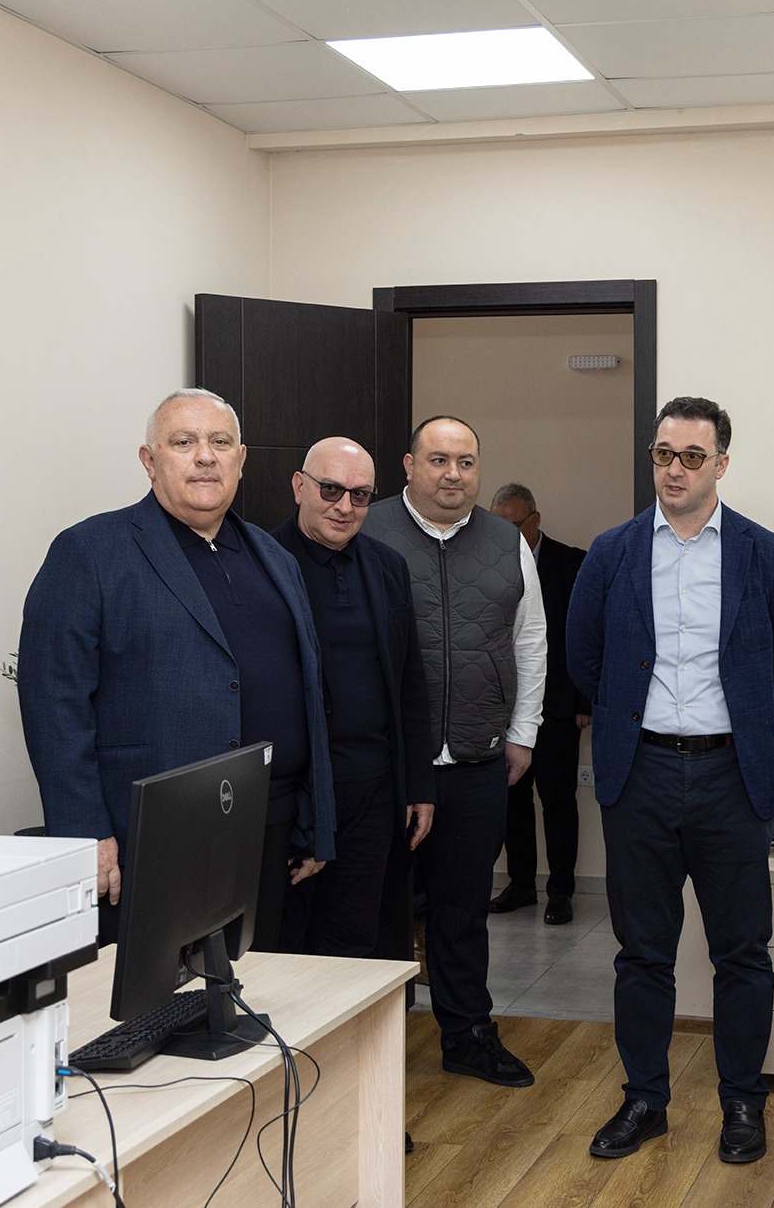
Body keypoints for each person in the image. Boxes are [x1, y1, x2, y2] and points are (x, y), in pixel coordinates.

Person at [567, 396, 774, 1165]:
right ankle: (645, 1100)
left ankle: (742, 1102)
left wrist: (735, 718)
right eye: (663, 454)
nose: (674, 469)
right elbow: (583, 657)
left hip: (731, 775)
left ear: (721, 465)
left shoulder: (765, 554)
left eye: (691, 457)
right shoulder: (612, 552)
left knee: (742, 951)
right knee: (642, 953)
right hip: (638, 772)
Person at [18, 388, 335, 949]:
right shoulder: (89, 552)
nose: (205, 456)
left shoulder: (276, 559)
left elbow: (308, 694)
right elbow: (54, 704)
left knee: (264, 984)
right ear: (149, 460)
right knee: (161, 993)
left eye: (220, 442)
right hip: (153, 832)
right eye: (184, 442)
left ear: (242, 459)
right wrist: (85, 834)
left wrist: (316, 820)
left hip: (270, 824)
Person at [360, 415, 546, 1088]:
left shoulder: (506, 541)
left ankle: (468, 1036)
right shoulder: (368, 529)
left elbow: (529, 639)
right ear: (409, 466)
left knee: (463, 910)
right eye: (438, 460)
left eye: (466, 462)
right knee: (379, 912)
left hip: (476, 760)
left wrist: (523, 731)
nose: (453, 474)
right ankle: (371, 1050)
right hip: (388, 767)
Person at [272, 436, 435, 957]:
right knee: (287, 947)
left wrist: (419, 784)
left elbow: (410, 681)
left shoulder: (388, 567)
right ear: (299, 487)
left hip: (376, 794)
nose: (344, 506)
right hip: (297, 797)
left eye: (360, 494)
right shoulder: (263, 563)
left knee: (358, 946)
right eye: (331, 489)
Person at [488, 482, 591, 926]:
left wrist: (586, 699)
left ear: (535, 520)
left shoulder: (572, 563)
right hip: (503, 707)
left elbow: (587, 635)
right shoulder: (487, 561)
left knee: (558, 801)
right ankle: (522, 884)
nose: (505, 534)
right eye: (497, 525)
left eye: (513, 525)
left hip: (559, 706)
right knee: (513, 801)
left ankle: (561, 891)